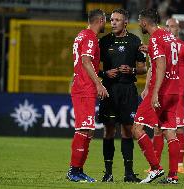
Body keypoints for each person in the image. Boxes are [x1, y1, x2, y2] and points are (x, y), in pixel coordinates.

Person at [98, 8, 147, 182]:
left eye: (117, 20)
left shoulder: (135, 41)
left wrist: (132, 69)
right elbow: (92, 66)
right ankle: (108, 173)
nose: (113, 23)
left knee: (128, 130)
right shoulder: (103, 42)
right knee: (109, 130)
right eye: (112, 20)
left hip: (127, 91)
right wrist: (105, 74)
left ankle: (128, 173)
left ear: (125, 22)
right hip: (109, 90)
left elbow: (143, 68)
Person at [132, 9, 180, 184]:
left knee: (137, 128)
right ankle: (173, 176)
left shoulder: (155, 38)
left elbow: (160, 65)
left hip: (161, 91)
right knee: (169, 132)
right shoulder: (168, 36)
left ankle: (155, 168)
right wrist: (151, 50)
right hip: (175, 89)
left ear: (144, 22)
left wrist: (155, 93)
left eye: (139, 21)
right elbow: (167, 57)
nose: (139, 24)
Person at [150, 18, 184, 174]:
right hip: (161, 92)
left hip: (175, 95)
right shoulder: (161, 44)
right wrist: (148, 89)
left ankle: (179, 164)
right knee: (157, 129)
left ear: (178, 29)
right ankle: (155, 165)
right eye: (167, 26)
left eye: (173, 27)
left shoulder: (183, 47)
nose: (170, 29)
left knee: (178, 129)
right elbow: (154, 67)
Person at [67, 9, 109, 183]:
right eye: (106, 20)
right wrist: (99, 83)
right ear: (100, 20)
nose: (106, 24)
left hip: (83, 85)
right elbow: (85, 61)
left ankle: (78, 170)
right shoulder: (90, 37)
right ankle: (74, 171)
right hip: (85, 88)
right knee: (84, 129)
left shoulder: (81, 35)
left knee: (89, 130)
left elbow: (82, 62)